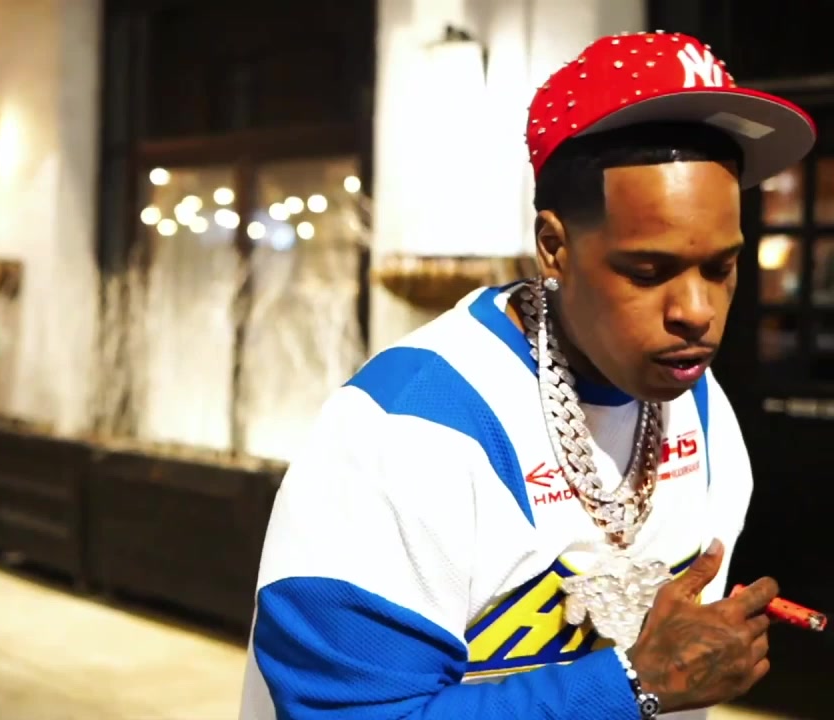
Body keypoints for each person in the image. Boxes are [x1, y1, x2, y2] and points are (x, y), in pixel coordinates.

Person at [240, 32, 816, 720]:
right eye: (647, 271)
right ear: (554, 248)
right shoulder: (409, 429)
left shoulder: (704, 408)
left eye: (720, 268)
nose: (697, 311)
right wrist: (630, 686)